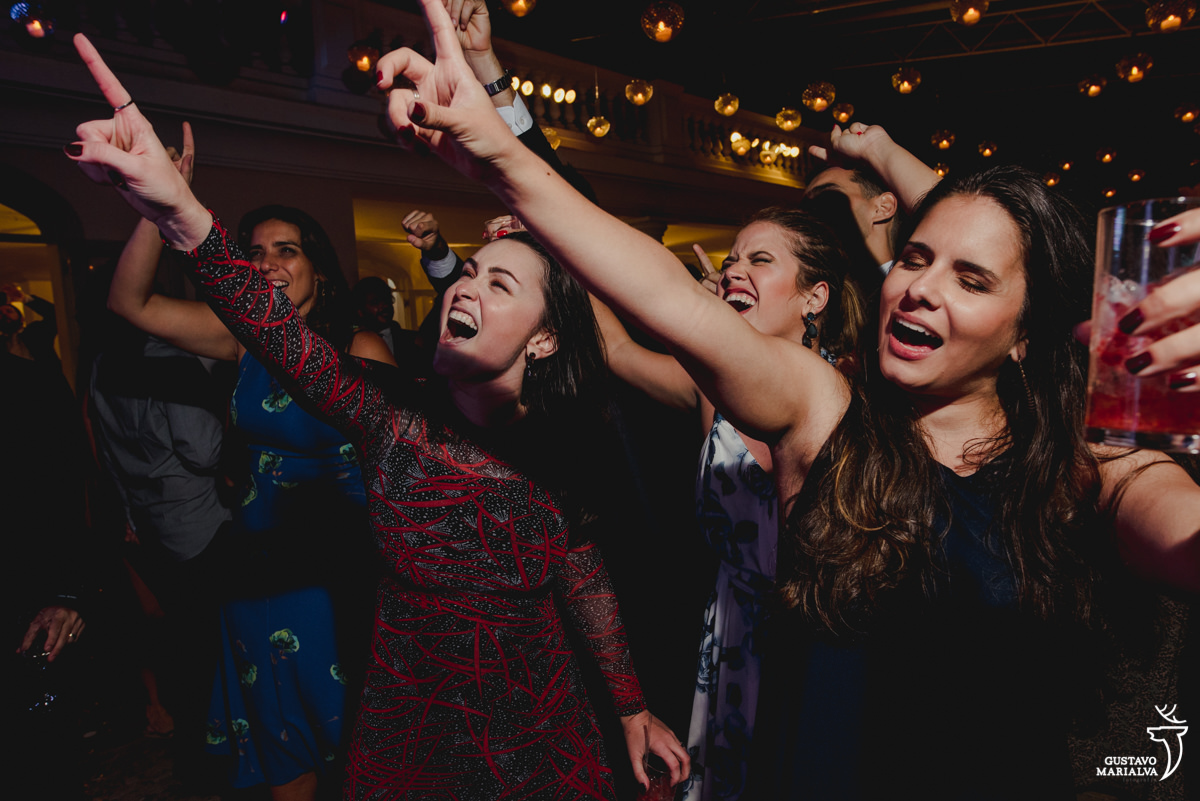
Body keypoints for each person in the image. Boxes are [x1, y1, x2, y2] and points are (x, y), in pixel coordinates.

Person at [358, 4, 1198, 795]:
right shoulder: (824, 410)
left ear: (1024, 335)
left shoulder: (1092, 474)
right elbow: (668, 298)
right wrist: (502, 160)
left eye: (971, 279)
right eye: (914, 258)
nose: (919, 288)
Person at [66, 29, 689, 800]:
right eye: (468, 272)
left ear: (545, 338)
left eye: (499, 285)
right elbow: (278, 333)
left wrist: (630, 708)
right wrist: (181, 213)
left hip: (537, 731)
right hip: (411, 731)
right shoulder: (391, 416)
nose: (467, 286)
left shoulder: (564, 443)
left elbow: (584, 575)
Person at [105, 126, 394, 800]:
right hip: (255, 571)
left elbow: (397, 466)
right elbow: (130, 302)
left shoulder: (361, 347)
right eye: (255, 252)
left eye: (286, 250)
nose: (267, 263)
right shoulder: (242, 343)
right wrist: (162, 200)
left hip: (336, 574)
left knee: (356, 745)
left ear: (318, 266)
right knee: (277, 737)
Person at [591, 206, 864, 800]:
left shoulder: (854, 393)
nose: (735, 269)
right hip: (733, 636)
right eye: (732, 259)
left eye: (760, 260)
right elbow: (616, 349)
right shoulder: (709, 389)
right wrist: (560, 254)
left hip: (814, 638)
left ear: (814, 297)